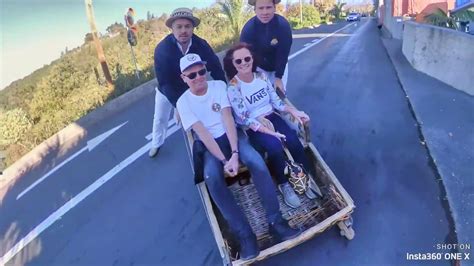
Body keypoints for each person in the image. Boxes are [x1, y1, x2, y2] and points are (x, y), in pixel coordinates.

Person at [176, 53, 300, 260]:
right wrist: (225, 161)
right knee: (212, 178)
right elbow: (203, 133)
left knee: (256, 162)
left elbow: (227, 118)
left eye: (201, 72)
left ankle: (276, 222)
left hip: (232, 136)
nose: (198, 78)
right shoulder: (183, 102)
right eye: (192, 75)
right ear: (184, 78)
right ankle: (245, 235)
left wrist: (234, 153)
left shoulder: (217, 86)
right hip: (210, 146)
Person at [224, 43, 316, 208]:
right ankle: (284, 184)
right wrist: (270, 133)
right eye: (238, 61)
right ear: (233, 64)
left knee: (293, 140)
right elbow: (245, 118)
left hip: (271, 116)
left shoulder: (262, 77)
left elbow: (277, 103)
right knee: (274, 147)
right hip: (255, 125)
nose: (243, 63)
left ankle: (305, 176)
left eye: (247, 58)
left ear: (253, 59)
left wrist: (294, 111)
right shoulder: (233, 87)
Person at [149, 8, 226, 157]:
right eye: (179, 26)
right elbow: (164, 82)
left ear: (193, 28)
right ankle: (156, 144)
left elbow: (215, 67)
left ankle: (210, 141)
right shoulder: (162, 50)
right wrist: (178, 104)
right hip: (168, 90)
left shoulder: (201, 44)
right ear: (172, 29)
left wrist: (223, 89)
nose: (183, 30)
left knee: (203, 114)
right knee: (159, 118)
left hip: (194, 86)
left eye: (187, 26)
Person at [240, 0, 292, 94]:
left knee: (279, 95)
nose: (265, 12)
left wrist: (278, 77)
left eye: (268, 7)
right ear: (255, 9)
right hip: (259, 67)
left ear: (274, 8)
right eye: (261, 8)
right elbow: (244, 57)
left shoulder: (283, 26)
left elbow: (283, 54)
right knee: (262, 97)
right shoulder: (248, 30)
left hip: (279, 65)